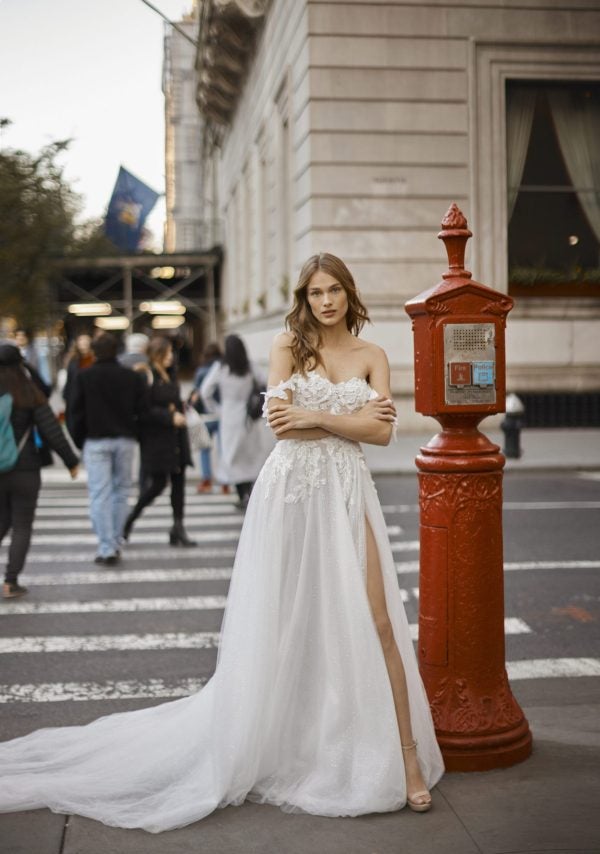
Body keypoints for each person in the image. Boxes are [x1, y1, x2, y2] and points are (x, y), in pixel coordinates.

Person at [0, 253, 443, 831]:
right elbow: (278, 424)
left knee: (378, 620)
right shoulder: (289, 346)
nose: (325, 301)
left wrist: (314, 414)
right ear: (304, 300)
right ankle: (285, 737)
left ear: (349, 295)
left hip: (346, 488)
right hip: (288, 492)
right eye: (315, 293)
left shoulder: (373, 356)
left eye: (334, 290)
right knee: (286, 618)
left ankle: (406, 758)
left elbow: (382, 433)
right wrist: (339, 416)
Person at [0, 343, 79, 599]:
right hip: (24, 469)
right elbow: (51, 429)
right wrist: (71, 461)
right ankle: (11, 582)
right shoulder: (27, 391)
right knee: (22, 525)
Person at [70, 333, 147, 566]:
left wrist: (79, 440)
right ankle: (116, 539)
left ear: (94, 352)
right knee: (122, 491)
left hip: (95, 440)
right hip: (125, 439)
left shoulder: (84, 377)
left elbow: (74, 412)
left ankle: (106, 547)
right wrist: (136, 433)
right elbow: (142, 410)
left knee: (99, 494)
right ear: (118, 351)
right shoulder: (131, 377)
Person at [122, 336, 196, 547]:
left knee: (179, 483)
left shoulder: (170, 374)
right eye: (168, 353)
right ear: (157, 354)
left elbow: (172, 401)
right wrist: (169, 415)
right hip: (157, 439)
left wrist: (183, 408)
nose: (172, 357)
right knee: (157, 484)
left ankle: (178, 528)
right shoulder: (146, 375)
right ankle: (129, 520)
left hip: (176, 437)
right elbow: (142, 411)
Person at [200, 334, 271, 508]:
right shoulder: (250, 366)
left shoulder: (221, 368)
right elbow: (268, 383)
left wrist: (216, 409)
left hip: (229, 415)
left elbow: (205, 391)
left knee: (232, 456)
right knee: (250, 455)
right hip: (248, 416)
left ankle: (242, 495)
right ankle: (251, 493)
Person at [189, 341, 223, 493]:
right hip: (223, 415)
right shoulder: (224, 369)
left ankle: (207, 480)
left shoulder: (201, 371)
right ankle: (225, 481)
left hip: (205, 416)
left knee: (204, 448)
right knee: (224, 449)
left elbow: (197, 393)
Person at [62, 333, 94, 437]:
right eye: (81, 341)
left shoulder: (94, 360)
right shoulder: (73, 362)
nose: (84, 344)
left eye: (86, 341)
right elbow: (70, 381)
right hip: (76, 396)